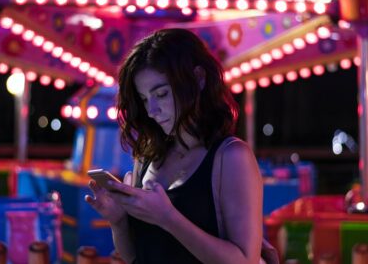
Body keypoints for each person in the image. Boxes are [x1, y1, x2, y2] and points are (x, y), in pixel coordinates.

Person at [85, 28, 277, 264]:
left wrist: (168, 218)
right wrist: (118, 221)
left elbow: (244, 260)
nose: (152, 111)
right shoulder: (147, 156)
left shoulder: (231, 156)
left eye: (162, 94)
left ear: (198, 79)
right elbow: (137, 256)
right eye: (144, 99)